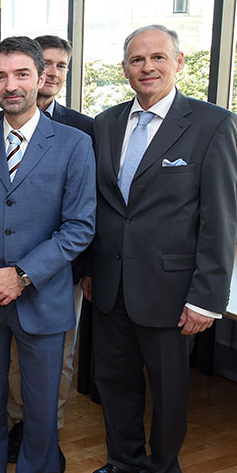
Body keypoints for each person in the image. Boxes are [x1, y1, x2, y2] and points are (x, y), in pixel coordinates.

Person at [87, 25, 237, 473]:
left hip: (172, 293)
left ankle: (163, 466)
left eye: (157, 58)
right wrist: (93, 270)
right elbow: (105, 208)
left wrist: (206, 299)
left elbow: (220, 219)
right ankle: (123, 463)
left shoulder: (213, 124)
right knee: (115, 384)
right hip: (110, 286)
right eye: (137, 60)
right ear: (125, 69)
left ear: (179, 62)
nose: (147, 67)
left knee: (169, 391)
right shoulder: (106, 123)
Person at [0, 36, 95, 473]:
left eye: (20, 74)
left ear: (41, 77)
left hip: (44, 298)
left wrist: (22, 275)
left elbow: (80, 226)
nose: (9, 85)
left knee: (41, 408)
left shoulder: (74, 143)